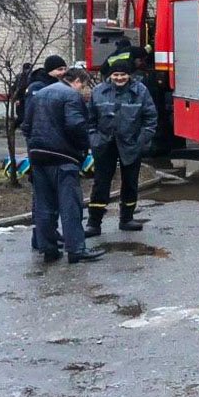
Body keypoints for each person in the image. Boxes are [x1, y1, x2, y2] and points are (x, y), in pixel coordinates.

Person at [21, 67, 104, 264]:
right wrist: (84, 148)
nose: (83, 90)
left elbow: (26, 126)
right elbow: (76, 125)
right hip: (63, 157)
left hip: (38, 156)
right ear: (77, 81)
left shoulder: (40, 94)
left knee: (44, 205)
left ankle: (48, 248)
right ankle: (76, 249)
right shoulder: (71, 96)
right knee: (70, 206)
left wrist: (34, 148)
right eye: (83, 86)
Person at [85, 58, 159, 236]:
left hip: (131, 144)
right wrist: (94, 139)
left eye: (123, 75)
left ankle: (127, 219)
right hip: (105, 144)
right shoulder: (98, 91)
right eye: (116, 75)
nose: (119, 78)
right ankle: (94, 223)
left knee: (130, 182)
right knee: (101, 184)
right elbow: (89, 120)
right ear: (110, 75)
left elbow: (150, 119)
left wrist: (141, 141)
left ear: (129, 75)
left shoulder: (141, 91)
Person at [21, 54, 69, 252]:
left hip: (52, 146)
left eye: (64, 69)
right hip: (40, 147)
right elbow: (30, 120)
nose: (63, 73)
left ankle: (49, 233)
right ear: (50, 70)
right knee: (41, 196)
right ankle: (39, 236)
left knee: (50, 195)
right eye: (59, 69)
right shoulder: (37, 88)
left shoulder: (56, 86)